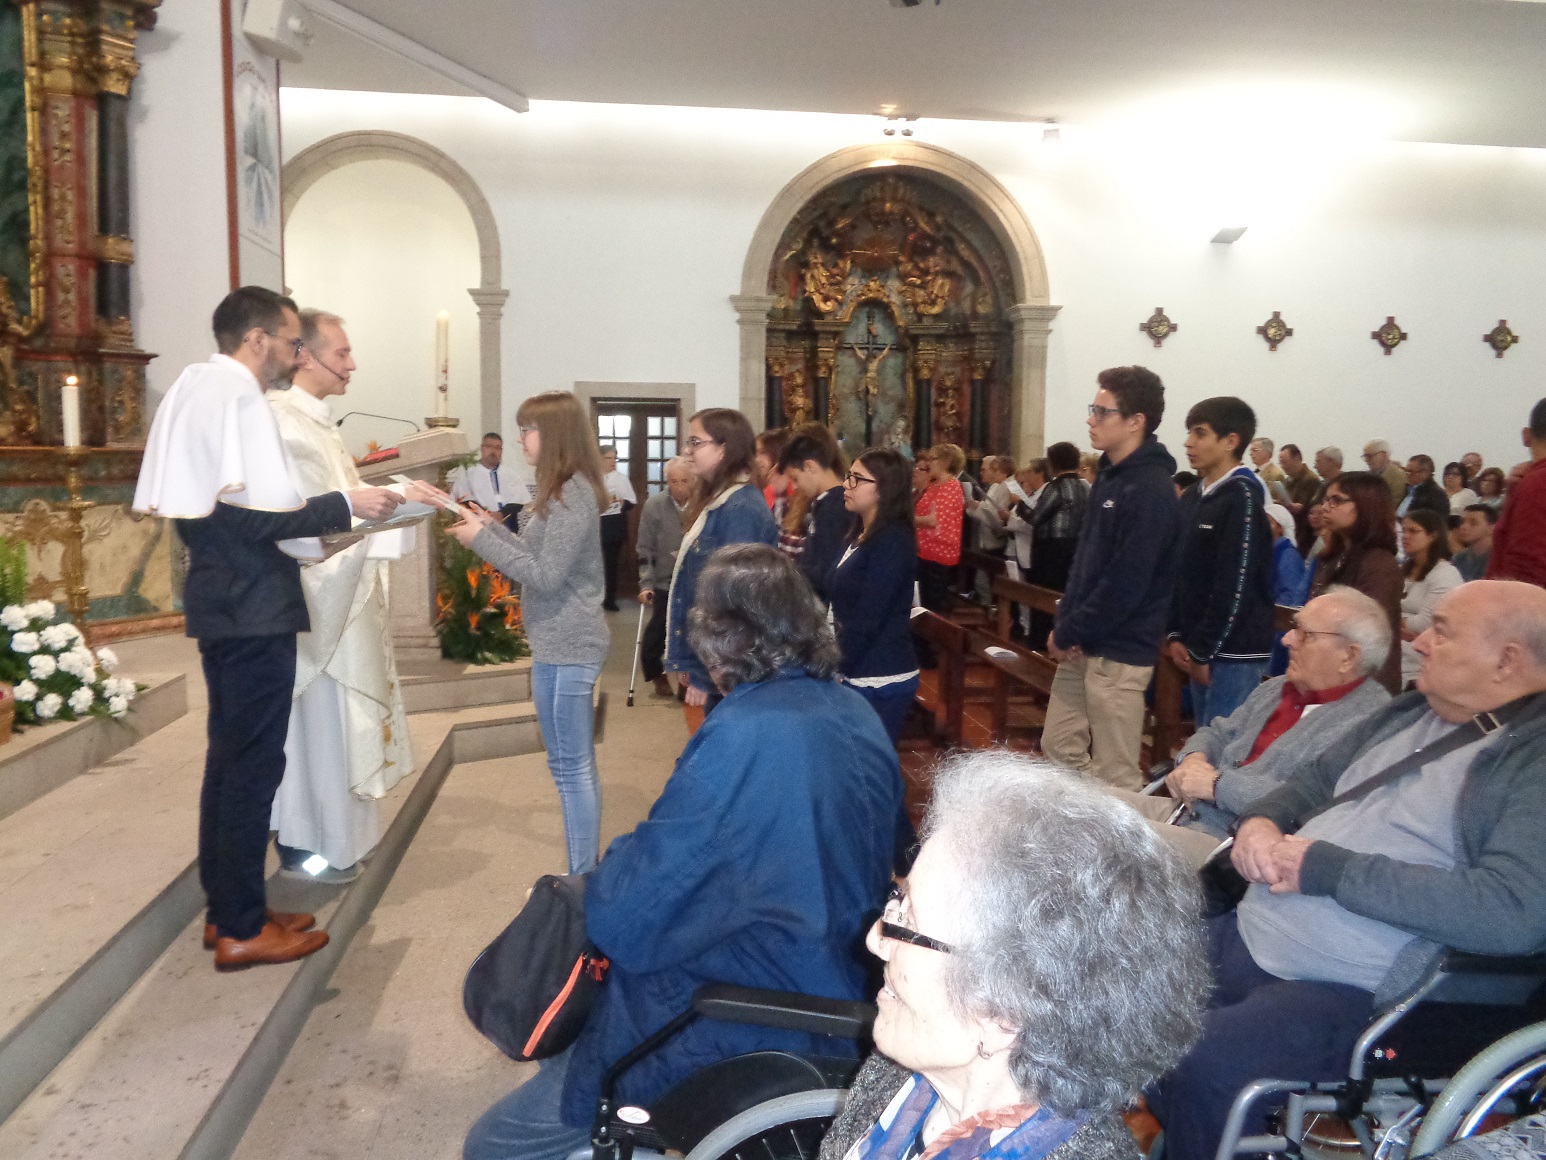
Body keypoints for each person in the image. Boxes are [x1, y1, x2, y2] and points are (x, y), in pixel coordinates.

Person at [465, 545, 904, 1160]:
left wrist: (605, 873)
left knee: (495, 1142)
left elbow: (630, 918)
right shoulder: (850, 709)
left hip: (747, 1007)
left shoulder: (749, 735)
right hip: (835, 980)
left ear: (721, 643)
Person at [1150, 580, 1546, 1160]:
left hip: (1359, 990)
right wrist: (1259, 823)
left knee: (1199, 1060)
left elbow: (1511, 913)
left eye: (1442, 632)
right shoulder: (1409, 712)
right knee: (1111, 989)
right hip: (1254, 930)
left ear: (1506, 660)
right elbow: (1306, 786)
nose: (1420, 641)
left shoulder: (1533, 761)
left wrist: (1328, 868)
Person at [132, 286, 404, 970]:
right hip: (254, 607)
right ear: (257, 339)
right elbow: (256, 519)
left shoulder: (197, 387)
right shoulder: (238, 398)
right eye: (289, 341)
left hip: (224, 600)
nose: (294, 353)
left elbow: (222, 514)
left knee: (229, 765)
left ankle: (230, 909)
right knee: (252, 770)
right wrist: (347, 503)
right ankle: (241, 928)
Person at [817, 752, 1209, 1160]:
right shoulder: (903, 1069)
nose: (875, 939)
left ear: (1003, 1013)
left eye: (908, 924)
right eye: (898, 900)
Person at [416, 391, 608, 874]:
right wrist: (487, 526)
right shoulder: (558, 489)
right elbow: (531, 552)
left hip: (571, 642)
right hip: (555, 641)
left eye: (527, 430)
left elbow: (544, 575)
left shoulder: (572, 493)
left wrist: (481, 540)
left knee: (573, 768)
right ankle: (582, 872)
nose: (520, 439)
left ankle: (582, 880)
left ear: (554, 434)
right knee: (564, 765)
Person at [267, 309, 412, 884]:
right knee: (318, 729)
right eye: (343, 352)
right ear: (303, 354)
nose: (352, 364)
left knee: (338, 725)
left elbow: (340, 504)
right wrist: (375, 518)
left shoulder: (320, 424)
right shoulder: (284, 423)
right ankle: (311, 843)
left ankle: (342, 839)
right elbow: (296, 528)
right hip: (316, 606)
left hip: (342, 598)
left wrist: (396, 503)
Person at [1138, 588, 1393, 845]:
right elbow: (1218, 732)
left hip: (1232, 843)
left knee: (1117, 842)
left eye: (1305, 634)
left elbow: (1306, 798)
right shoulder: (1277, 687)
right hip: (1188, 812)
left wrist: (1216, 785)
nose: (1287, 639)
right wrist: (1194, 758)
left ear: (1348, 656)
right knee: (1110, 810)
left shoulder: (1367, 722)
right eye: (1294, 627)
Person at [1042, 366, 1182, 791]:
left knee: (1116, 773)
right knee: (1059, 747)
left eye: (1102, 412)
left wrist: (1070, 630)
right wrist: (1067, 623)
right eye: (1094, 409)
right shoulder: (1109, 474)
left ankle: (1125, 829)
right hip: (1084, 639)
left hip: (1120, 648)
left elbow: (1126, 583)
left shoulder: (1151, 488)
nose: (1091, 419)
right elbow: (1087, 561)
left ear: (1136, 421)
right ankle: (1090, 819)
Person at [1168, 397, 1276, 726]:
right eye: (1189, 432)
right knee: (1203, 739)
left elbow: (1236, 582)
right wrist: (1175, 633)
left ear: (1230, 441)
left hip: (1233, 651)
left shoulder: (1242, 496)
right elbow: (1179, 570)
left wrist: (1204, 649)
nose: (1188, 443)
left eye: (1200, 433)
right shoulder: (1194, 496)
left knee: (1221, 745)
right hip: (1199, 644)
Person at [666, 408, 779, 717]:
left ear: (724, 448)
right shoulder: (722, 501)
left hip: (731, 666)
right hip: (719, 661)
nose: (687, 451)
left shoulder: (740, 509)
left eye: (695, 442)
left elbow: (732, 601)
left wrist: (706, 673)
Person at [829, 447, 920, 743]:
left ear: (884, 488)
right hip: (857, 664)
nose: (846, 484)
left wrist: (836, 664)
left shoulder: (893, 540)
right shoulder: (863, 532)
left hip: (879, 674)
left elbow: (870, 614)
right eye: (849, 475)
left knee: (868, 763)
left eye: (857, 478)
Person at [1309, 471, 1403, 694]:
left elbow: (1367, 635)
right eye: (1325, 499)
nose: (1325, 507)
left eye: (1336, 500)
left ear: (1366, 505)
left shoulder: (1379, 564)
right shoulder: (1334, 557)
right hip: (1333, 670)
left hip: (1364, 683)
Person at [635, 457, 692, 697]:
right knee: (658, 631)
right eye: (673, 481)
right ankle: (656, 674)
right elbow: (644, 548)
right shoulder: (654, 505)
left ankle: (686, 679)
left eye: (684, 481)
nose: (678, 487)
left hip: (692, 579)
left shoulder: (702, 503)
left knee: (690, 631)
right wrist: (646, 583)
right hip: (663, 580)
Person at [779, 423, 850, 602]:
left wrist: (789, 574)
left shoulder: (835, 508)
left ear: (810, 466)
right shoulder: (826, 503)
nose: (795, 487)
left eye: (795, 478)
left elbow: (826, 570)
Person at [1400, 508, 1463, 688]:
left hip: (1420, 659)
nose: (1405, 536)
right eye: (1404, 530)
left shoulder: (1445, 574)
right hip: (1399, 648)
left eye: (1413, 531)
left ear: (1433, 536)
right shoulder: (1404, 570)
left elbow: (1425, 624)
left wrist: (1391, 620)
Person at [1487, 397, 1546, 588]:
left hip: (1523, 599)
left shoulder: (1537, 483)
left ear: (1526, 435)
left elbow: (1527, 570)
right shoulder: (1530, 481)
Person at [914, 448, 965, 616]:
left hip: (939, 553)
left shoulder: (950, 486)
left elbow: (933, 521)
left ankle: (936, 631)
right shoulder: (935, 485)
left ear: (946, 462)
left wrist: (904, 519)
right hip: (924, 551)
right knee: (923, 601)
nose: (928, 463)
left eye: (933, 459)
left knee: (934, 606)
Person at [450, 432, 529, 527]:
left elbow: (518, 502)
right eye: (489, 446)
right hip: (479, 524)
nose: (493, 451)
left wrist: (501, 514)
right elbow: (465, 500)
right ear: (482, 448)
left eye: (497, 447)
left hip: (507, 525)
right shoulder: (468, 474)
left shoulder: (511, 475)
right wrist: (487, 515)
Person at [597, 446, 637, 612]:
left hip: (613, 524)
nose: (612, 462)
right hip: (595, 524)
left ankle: (610, 598)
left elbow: (631, 502)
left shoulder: (621, 479)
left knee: (611, 564)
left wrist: (621, 502)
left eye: (614, 458)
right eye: (608, 458)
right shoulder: (592, 477)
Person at [1264, 504, 1309, 606]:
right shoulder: (1265, 551)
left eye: (1268, 522)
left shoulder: (1289, 555)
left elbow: (1291, 595)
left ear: (1280, 528)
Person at [1397, 454, 1450, 520]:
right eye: (1405, 471)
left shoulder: (1436, 495)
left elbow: (1436, 522)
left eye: (1410, 471)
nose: (1406, 474)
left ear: (1424, 473)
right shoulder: (1407, 490)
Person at [1453, 503, 1497, 582]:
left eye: (1473, 523)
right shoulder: (1459, 558)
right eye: (1462, 522)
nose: (1463, 527)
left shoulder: (1500, 559)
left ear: (1492, 528)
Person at [1362, 439, 1407, 504]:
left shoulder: (1398, 478)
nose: (1366, 460)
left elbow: (1391, 505)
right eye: (1365, 457)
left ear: (1383, 455)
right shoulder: (1367, 477)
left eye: (1369, 456)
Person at [1249, 437, 1291, 505]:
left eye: (1255, 450)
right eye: (1250, 450)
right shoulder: (1254, 473)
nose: (1251, 453)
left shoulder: (1276, 474)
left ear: (1269, 454)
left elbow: (1282, 502)